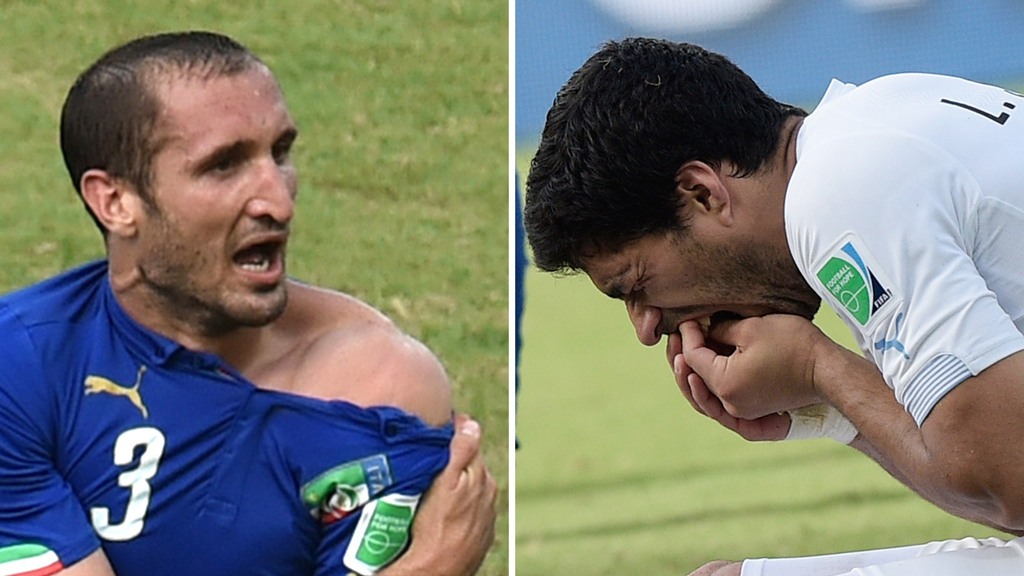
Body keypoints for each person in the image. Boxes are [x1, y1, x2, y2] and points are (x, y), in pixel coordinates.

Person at [0, 32, 496, 576]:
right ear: (116, 202)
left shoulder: (374, 391)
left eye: (280, 153)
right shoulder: (22, 366)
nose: (279, 202)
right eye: (223, 166)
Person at [524, 36, 1024, 575]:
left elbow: (1006, 484)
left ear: (703, 193)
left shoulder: (837, 194)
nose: (646, 328)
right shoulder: (869, 121)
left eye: (635, 284)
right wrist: (826, 412)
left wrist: (818, 367)